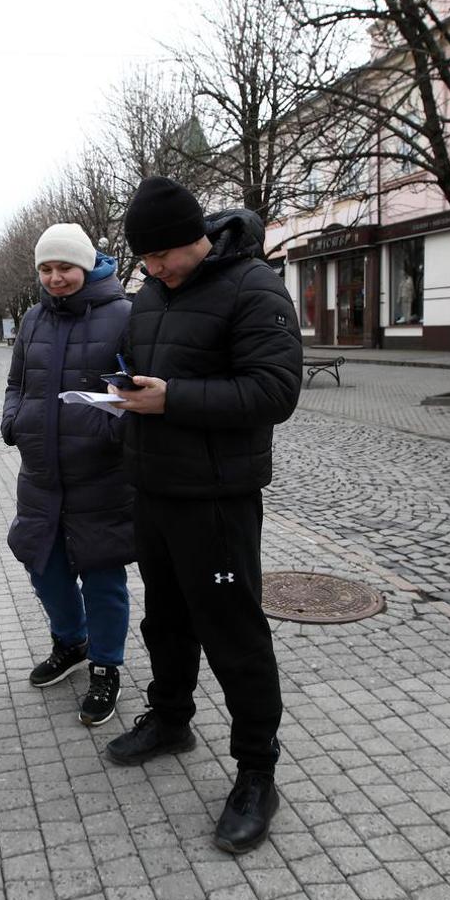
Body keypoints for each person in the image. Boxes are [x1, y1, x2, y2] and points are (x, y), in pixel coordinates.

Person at [105, 176, 302, 856]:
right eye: (144, 263)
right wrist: (120, 400)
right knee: (165, 618)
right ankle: (170, 718)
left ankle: (256, 772)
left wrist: (174, 400)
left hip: (217, 499)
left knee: (233, 630)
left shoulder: (254, 287)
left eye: (159, 258)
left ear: (192, 240)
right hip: (155, 487)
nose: (151, 271)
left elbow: (274, 391)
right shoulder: (153, 293)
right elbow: (145, 368)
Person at [2, 223, 134, 727]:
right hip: (40, 473)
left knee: (103, 576)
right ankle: (71, 641)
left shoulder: (125, 314)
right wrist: (13, 420)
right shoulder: (32, 319)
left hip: (101, 475)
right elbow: (16, 382)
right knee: (44, 567)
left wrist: (108, 429)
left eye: (65, 267)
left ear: (86, 265)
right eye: (46, 268)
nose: (55, 277)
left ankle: (106, 663)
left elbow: (135, 385)